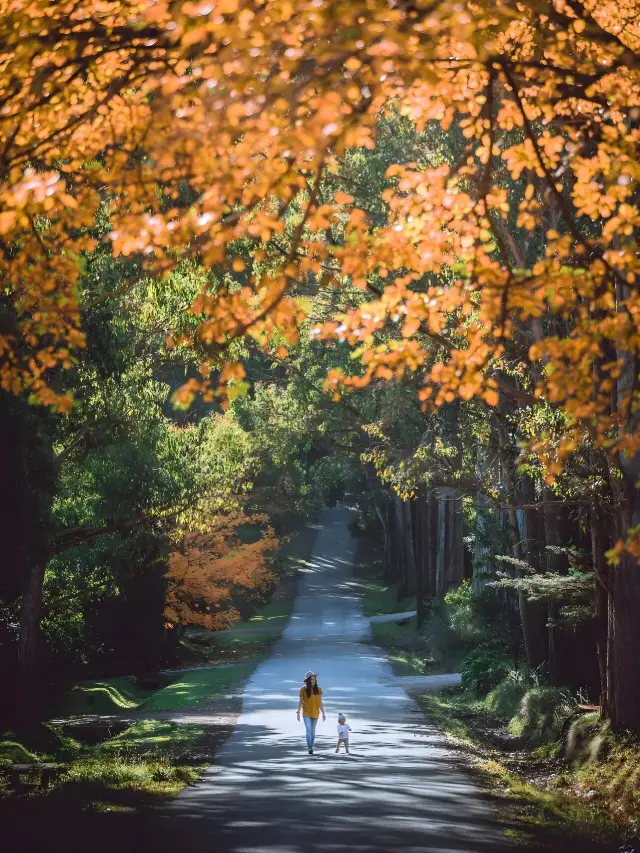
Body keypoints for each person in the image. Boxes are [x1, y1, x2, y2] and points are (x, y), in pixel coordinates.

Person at [297, 670, 326, 754]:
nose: (312, 681)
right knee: (309, 730)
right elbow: (300, 702)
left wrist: (323, 713)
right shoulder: (303, 689)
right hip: (306, 713)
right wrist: (298, 712)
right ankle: (309, 748)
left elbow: (320, 703)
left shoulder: (319, 690)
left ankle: (311, 745)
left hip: (315, 713)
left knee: (313, 731)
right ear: (307, 681)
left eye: (314, 679)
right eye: (311, 679)